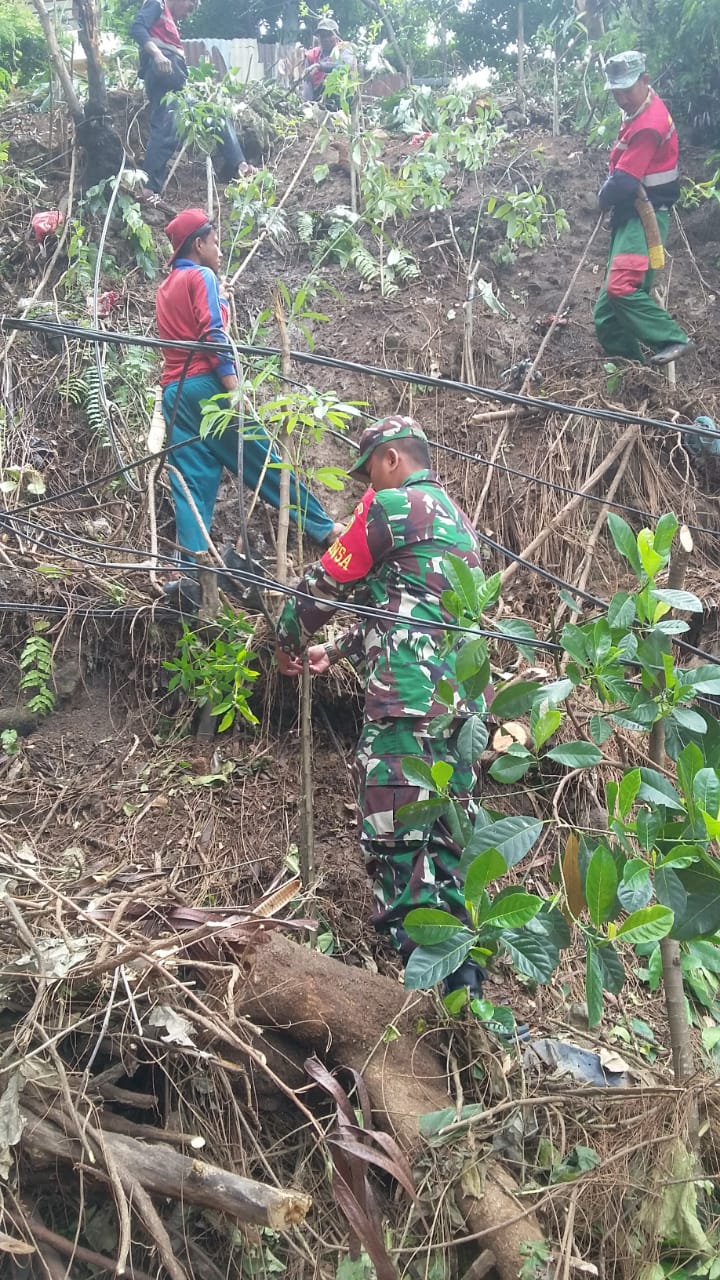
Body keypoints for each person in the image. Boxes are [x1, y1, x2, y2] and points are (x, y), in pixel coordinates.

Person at [275, 416, 489, 994]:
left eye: (368, 468)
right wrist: (338, 650)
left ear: (391, 458)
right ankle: (466, 999)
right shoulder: (458, 522)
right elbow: (412, 605)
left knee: (396, 844)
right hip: (459, 713)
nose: (364, 483)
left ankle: (436, 1003)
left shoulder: (390, 507)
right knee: (444, 849)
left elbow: (326, 584)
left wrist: (283, 638)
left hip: (406, 708)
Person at [156, 207, 341, 579]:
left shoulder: (166, 287)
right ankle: (323, 527)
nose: (220, 250)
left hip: (174, 394)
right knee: (263, 459)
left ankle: (190, 572)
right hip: (208, 388)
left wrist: (221, 300)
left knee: (193, 480)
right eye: (215, 242)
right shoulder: (202, 275)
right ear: (199, 244)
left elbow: (194, 325)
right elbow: (212, 335)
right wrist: (235, 390)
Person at [593, 50, 693, 366]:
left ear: (645, 81)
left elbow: (624, 181)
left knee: (621, 288)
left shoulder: (649, 123)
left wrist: (602, 198)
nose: (621, 97)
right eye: (616, 92)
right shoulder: (637, 112)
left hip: (644, 218)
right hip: (631, 217)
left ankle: (671, 338)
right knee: (606, 314)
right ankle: (633, 373)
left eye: (627, 89)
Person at [130, 0, 246, 195]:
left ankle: (240, 164)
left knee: (216, 115)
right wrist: (157, 55)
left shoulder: (169, 18)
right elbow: (137, 27)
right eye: (190, 7)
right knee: (166, 129)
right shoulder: (157, 4)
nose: (188, 14)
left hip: (178, 88)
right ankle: (149, 189)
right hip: (162, 79)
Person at [302, 17, 358, 105]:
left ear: (337, 36)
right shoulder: (312, 55)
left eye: (329, 35)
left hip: (342, 97)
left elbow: (346, 67)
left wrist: (320, 66)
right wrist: (308, 104)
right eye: (323, 36)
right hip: (318, 100)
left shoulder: (344, 49)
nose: (326, 39)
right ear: (318, 38)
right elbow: (307, 83)